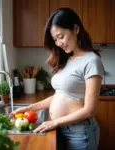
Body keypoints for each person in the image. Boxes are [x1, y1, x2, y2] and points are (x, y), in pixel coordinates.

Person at [9, 8, 104, 150]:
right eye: (55, 39)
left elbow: (90, 110)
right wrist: (29, 108)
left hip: (80, 132)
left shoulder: (91, 61)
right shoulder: (67, 59)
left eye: (61, 36)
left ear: (76, 29)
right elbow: (60, 96)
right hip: (61, 128)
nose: (58, 43)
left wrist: (54, 123)